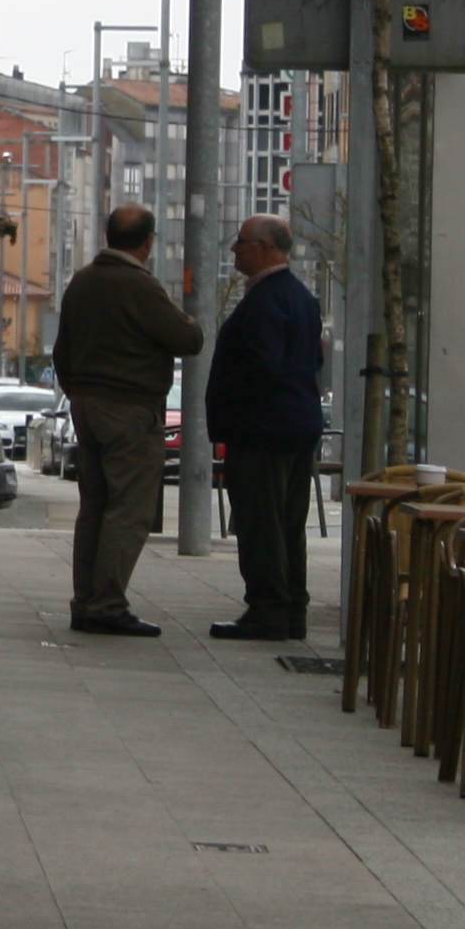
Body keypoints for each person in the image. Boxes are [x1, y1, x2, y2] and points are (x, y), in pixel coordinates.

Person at [50, 204, 205, 636]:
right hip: (131, 409)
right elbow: (186, 338)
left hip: (86, 406)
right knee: (129, 509)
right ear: (148, 242)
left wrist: (78, 390)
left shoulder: (81, 282)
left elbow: (61, 351)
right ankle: (107, 604)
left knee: (94, 506)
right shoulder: (140, 286)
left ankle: (85, 600)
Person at [203, 214, 323, 642]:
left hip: (263, 431)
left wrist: (228, 400)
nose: (234, 249)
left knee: (260, 523)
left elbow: (261, 366)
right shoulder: (301, 298)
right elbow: (313, 362)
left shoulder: (268, 300)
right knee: (288, 524)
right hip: (294, 427)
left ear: (267, 249)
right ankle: (291, 610)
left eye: (242, 242)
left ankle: (268, 610)